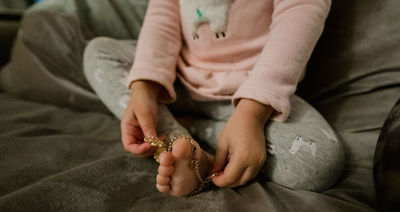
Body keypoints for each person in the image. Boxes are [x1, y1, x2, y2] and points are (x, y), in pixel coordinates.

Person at [83, 0, 344, 198]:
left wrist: (252, 113)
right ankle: (182, 141)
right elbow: (163, 14)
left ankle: (197, 138)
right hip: (176, 81)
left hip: (252, 94)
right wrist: (145, 86)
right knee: (99, 52)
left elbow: (300, 12)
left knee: (319, 163)